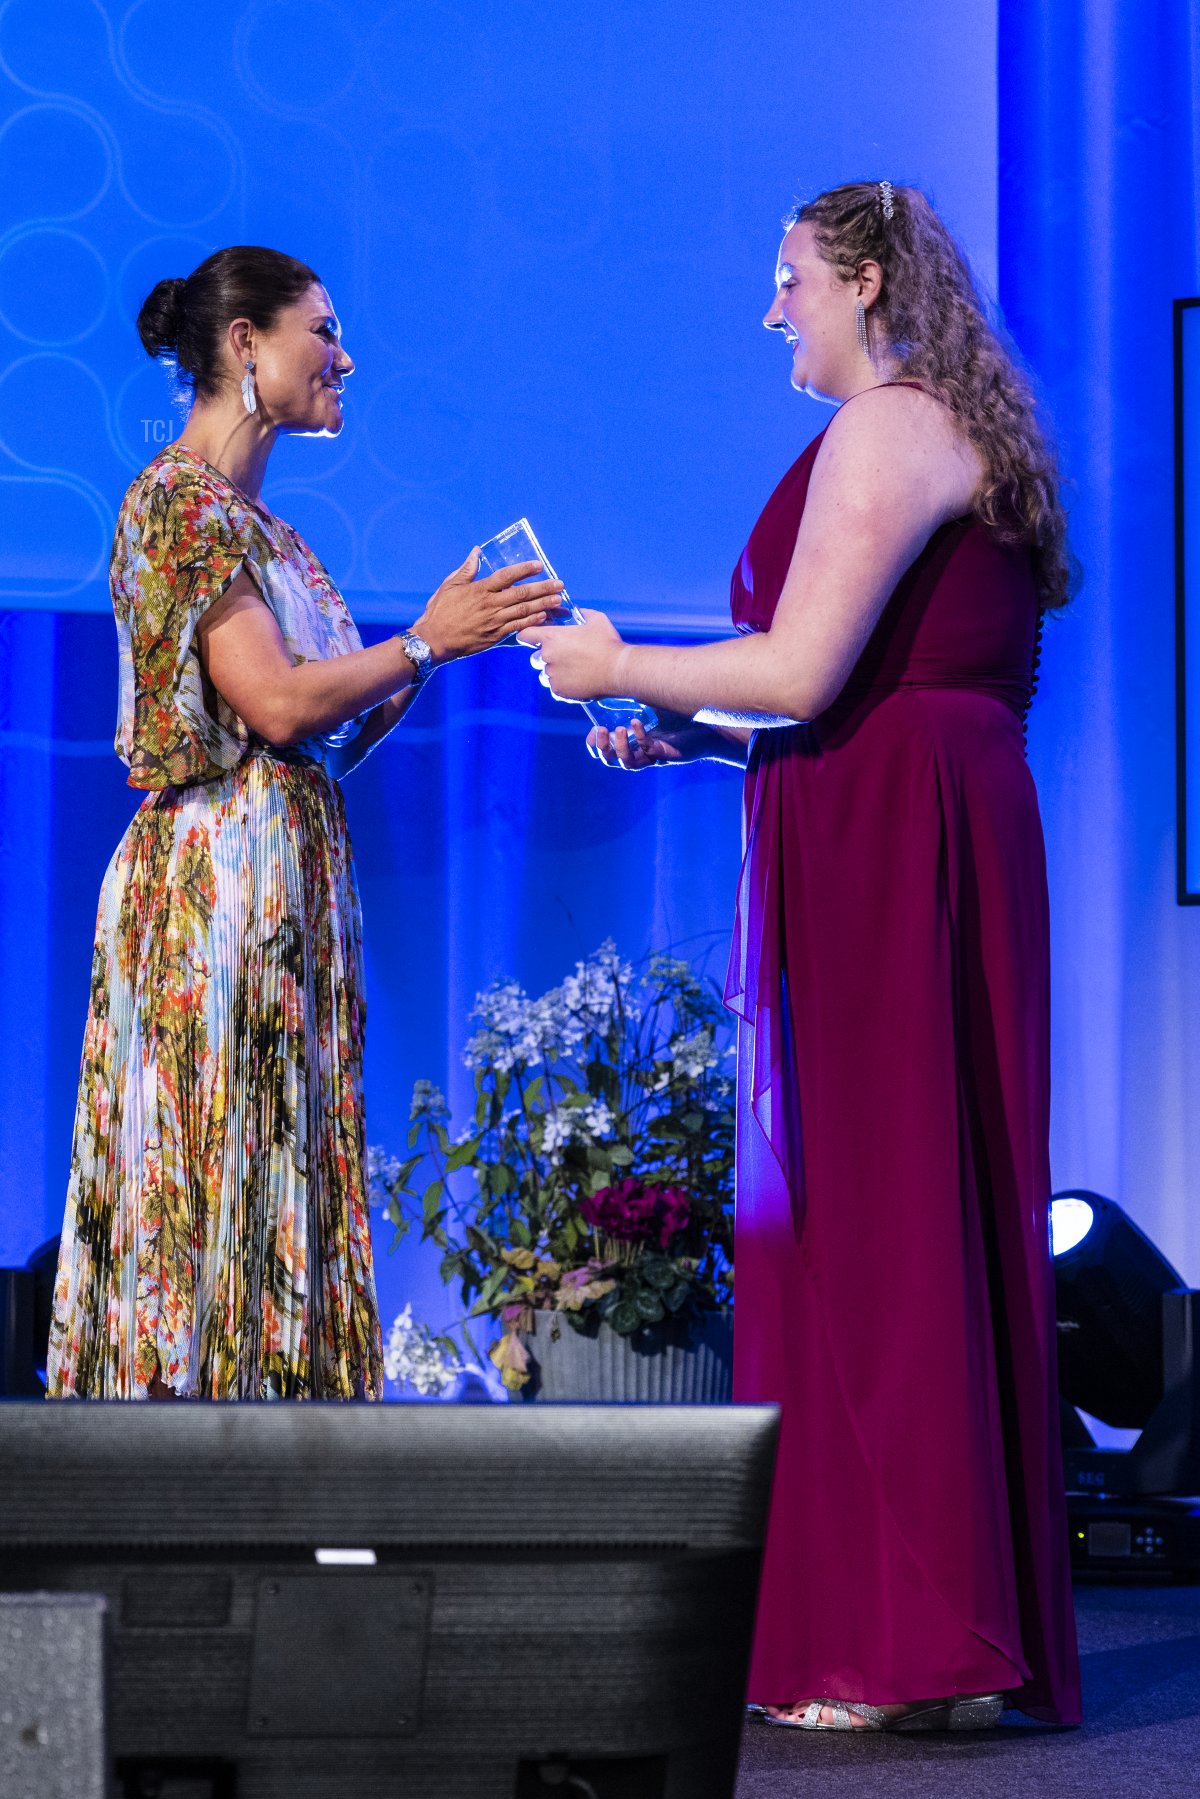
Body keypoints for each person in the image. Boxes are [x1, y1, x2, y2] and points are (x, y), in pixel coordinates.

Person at [522, 183, 1082, 1730]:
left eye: (788, 280)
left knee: (881, 1227)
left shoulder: (893, 426)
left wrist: (615, 655)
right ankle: (922, 1619)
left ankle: (903, 1636)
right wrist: (694, 733)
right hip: (900, 819)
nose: (773, 310)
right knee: (892, 1217)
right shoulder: (922, 423)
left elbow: (810, 668)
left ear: (869, 278)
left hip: (900, 844)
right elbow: (840, 697)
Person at [46, 246, 561, 1402]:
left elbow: (320, 731)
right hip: (215, 876)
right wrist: (426, 641)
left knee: (278, 1146)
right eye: (321, 330)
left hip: (285, 868)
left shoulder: (267, 530)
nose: (344, 355)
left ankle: (280, 1438)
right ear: (245, 346)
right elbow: (272, 701)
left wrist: (436, 645)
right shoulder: (176, 501)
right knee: (211, 1147)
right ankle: (188, 1449)